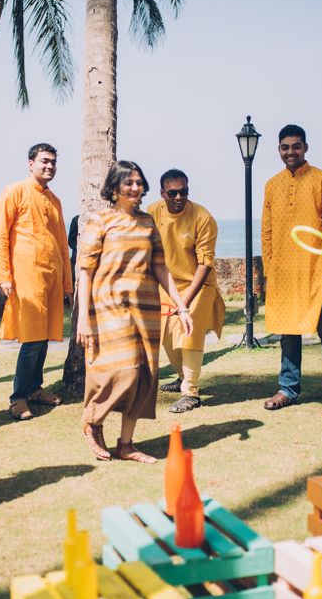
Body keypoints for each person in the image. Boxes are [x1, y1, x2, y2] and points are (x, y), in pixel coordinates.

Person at [76, 161, 193, 463]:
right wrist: (83, 318)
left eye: (140, 182)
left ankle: (126, 444)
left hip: (147, 309)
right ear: (114, 188)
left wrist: (181, 306)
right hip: (109, 308)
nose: (136, 187)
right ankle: (93, 420)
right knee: (122, 369)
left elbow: (159, 267)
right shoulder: (100, 220)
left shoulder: (147, 222)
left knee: (144, 375)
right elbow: (86, 271)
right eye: (129, 182)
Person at [261, 124, 322, 416]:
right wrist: (268, 273)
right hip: (284, 275)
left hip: (317, 273)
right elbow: (267, 233)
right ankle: (288, 389)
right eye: (285, 147)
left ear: (306, 147)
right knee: (288, 334)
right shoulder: (271, 185)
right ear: (279, 150)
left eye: (296, 146)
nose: (291, 152)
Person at [0, 143, 73, 421]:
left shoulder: (55, 200)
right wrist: (3, 276)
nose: (49, 166)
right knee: (32, 339)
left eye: (53, 162)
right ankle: (18, 397)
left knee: (45, 337)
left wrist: (67, 284)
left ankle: (35, 389)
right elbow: (1, 236)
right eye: (44, 161)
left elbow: (63, 244)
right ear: (30, 163)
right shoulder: (14, 191)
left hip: (52, 277)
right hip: (26, 277)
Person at [146, 169, 226, 412]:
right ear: (162, 193)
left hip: (198, 284)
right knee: (168, 337)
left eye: (184, 192)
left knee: (189, 333)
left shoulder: (202, 217)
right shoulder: (151, 213)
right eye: (173, 193)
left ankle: (191, 393)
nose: (179, 197)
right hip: (166, 284)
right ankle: (182, 378)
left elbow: (205, 263)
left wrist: (184, 305)